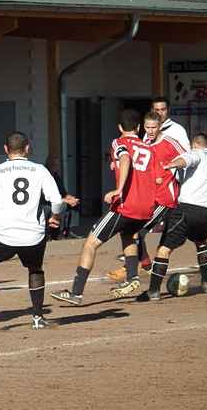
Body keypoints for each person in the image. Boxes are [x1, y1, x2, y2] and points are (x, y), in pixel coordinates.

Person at [51, 109, 156, 305]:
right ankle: (132, 278)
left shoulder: (119, 142)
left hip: (126, 205)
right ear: (139, 128)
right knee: (128, 235)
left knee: (90, 244)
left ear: (119, 127)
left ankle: (76, 292)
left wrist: (119, 189)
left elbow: (125, 159)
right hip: (146, 208)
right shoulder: (148, 147)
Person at [0, 131, 64, 331]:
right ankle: (38, 317)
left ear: (5, 149)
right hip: (34, 233)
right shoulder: (39, 170)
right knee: (35, 269)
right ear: (27, 148)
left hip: (5, 233)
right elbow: (57, 201)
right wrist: (55, 217)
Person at [136, 133, 207, 301]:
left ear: (195, 144)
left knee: (164, 249)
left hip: (186, 208)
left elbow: (187, 160)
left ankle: (153, 291)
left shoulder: (196, 154)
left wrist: (170, 165)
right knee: (201, 241)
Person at [106, 112, 187, 282]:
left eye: (154, 127)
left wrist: (173, 166)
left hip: (165, 198)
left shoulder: (170, 142)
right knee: (134, 231)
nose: (150, 131)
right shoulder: (145, 144)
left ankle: (139, 266)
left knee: (136, 232)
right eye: (148, 127)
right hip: (150, 197)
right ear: (142, 127)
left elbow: (189, 156)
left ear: (160, 127)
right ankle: (143, 265)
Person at [45, 155, 81, 239]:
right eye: (55, 165)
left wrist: (71, 198)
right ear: (49, 165)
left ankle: (67, 230)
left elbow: (64, 193)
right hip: (48, 202)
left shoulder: (56, 176)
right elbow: (50, 197)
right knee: (63, 206)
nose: (57, 167)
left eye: (57, 164)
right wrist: (66, 201)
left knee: (74, 204)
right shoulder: (46, 176)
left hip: (59, 200)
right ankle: (58, 232)